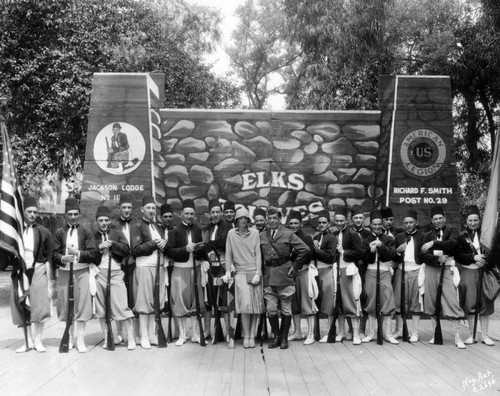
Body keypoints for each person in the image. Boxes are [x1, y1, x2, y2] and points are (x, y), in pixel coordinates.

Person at [52, 197, 99, 353]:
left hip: (82, 272)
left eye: (76, 214)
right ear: (66, 215)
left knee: (82, 305)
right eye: (70, 214)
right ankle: (69, 337)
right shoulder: (59, 232)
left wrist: (78, 254)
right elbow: (53, 254)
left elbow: (93, 254)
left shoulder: (86, 232)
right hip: (65, 273)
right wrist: (62, 258)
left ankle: (80, 339)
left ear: (79, 214)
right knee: (66, 305)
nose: (73, 217)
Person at [260, 207, 310, 349]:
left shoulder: (287, 233)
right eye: (269, 218)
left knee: (286, 308)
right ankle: (276, 336)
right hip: (268, 274)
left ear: (280, 219)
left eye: (274, 218)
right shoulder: (262, 235)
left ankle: (283, 338)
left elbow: (305, 249)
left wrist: (295, 267)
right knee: (271, 309)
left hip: (285, 274)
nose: (272, 221)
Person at [11, 196, 52, 353]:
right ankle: (27, 340)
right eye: (29, 211)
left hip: (38, 271)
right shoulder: (16, 232)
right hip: (20, 272)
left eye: (35, 212)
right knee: (22, 306)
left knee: (39, 307)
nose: (32, 215)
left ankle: (38, 340)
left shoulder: (44, 232)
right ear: (24, 212)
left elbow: (48, 254)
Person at [420, 205, 465, 348]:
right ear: (431, 221)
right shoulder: (426, 235)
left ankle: (458, 338)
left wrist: (434, 243)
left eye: (440, 218)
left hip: (447, 269)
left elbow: (453, 244)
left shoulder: (452, 230)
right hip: (433, 269)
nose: (438, 221)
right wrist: (437, 259)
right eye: (435, 219)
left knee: (452, 299)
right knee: (432, 300)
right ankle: (435, 334)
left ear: (444, 219)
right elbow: (422, 255)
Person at [94, 206, 135, 350]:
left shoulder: (117, 233)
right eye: (101, 220)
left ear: (110, 220)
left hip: (116, 273)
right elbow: (90, 254)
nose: (104, 223)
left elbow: (127, 251)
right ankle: (108, 338)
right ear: (96, 221)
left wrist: (112, 245)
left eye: (106, 220)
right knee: (102, 310)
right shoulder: (93, 236)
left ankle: (130, 338)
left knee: (121, 306)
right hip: (99, 274)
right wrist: (99, 247)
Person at [453, 205, 495, 346]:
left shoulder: (487, 235)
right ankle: (472, 335)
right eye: (470, 220)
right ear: (466, 221)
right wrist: (473, 258)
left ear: (479, 220)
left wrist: (486, 261)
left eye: (475, 220)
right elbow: (458, 256)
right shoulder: (460, 236)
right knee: (470, 303)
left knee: (485, 303)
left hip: (484, 272)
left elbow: (495, 253)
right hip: (468, 271)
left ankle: (485, 335)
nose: (473, 223)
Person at [166, 199, 206, 346]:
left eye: (191, 214)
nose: (189, 216)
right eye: (186, 213)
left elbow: (202, 248)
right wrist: (185, 249)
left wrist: (203, 256)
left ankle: (195, 333)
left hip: (195, 269)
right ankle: (182, 335)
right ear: (181, 214)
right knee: (180, 301)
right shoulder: (174, 231)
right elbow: (170, 251)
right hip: (180, 270)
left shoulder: (197, 229)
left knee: (196, 302)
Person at [224, 208, 264, 348]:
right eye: (241, 218)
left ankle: (252, 336)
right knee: (245, 307)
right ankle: (246, 335)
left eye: (246, 218)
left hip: (254, 272)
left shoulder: (255, 233)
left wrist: (258, 272)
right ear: (236, 220)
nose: (243, 220)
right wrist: (228, 271)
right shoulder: (231, 234)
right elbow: (228, 254)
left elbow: (258, 254)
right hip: (240, 274)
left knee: (255, 308)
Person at [131, 196, 167, 349]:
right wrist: (154, 244)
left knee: (155, 302)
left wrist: (164, 243)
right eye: (148, 208)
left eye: (153, 208)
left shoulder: (158, 227)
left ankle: (152, 334)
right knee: (144, 303)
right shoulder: (137, 226)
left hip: (158, 267)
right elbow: (136, 249)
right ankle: (143, 335)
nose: (151, 211)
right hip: (144, 267)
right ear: (142, 210)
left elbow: (163, 245)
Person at [361, 210, 398, 344]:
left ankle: (387, 333)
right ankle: (371, 333)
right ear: (370, 225)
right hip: (371, 272)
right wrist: (370, 252)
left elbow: (391, 255)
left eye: (378, 224)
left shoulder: (388, 239)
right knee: (371, 301)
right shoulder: (366, 240)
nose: (376, 227)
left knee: (387, 299)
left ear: (382, 224)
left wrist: (381, 246)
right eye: (374, 224)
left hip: (384, 272)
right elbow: (364, 258)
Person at [331, 206, 364, 345]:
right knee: (338, 303)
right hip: (335, 272)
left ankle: (356, 333)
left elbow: (359, 253)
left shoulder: (352, 234)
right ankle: (341, 332)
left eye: (341, 220)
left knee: (352, 301)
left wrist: (343, 252)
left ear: (346, 220)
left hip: (348, 271)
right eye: (337, 220)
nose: (339, 223)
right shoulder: (332, 234)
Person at [202, 199, 232, 340]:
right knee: (209, 297)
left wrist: (209, 244)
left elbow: (223, 243)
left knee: (224, 298)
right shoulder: (206, 229)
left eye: (217, 212)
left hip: (224, 264)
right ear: (209, 214)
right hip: (210, 265)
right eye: (212, 212)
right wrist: (204, 258)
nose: (215, 215)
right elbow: (203, 248)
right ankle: (208, 330)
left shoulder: (228, 226)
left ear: (221, 213)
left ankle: (227, 331)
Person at [393, 209, 425, 342]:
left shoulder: (423, 236)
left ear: (416, 223)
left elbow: (424, 255)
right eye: (406, 222)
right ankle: (400, 330)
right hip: (402, 270)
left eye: (411, 222)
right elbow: (393, 257)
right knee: (399, 300)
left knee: (416, 301)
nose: (408, 225)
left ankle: (415, 332)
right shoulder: (399, 237)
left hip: (417, 270)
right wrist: (398, 252)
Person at [287, 210, 317, 345]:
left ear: (301, 224)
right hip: (292, 275)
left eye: (296, 223)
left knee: (307, 303)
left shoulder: (306, 238)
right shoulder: (287, 237)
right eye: (291, 223)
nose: (293, 225)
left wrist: (294, 256)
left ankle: (310, 333)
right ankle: (297, 331)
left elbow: (308, 255)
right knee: (295, 304)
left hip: (304, 272)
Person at [110, 193, 137, 342]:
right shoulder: (113, 224)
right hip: (119, 265)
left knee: (132, 298)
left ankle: (133, 334)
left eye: (129, 207)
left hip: (133, 265)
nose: (126, 210)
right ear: (119, 208)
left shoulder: (137, 224)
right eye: (124, 207)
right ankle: (119, 333)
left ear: (132, 208)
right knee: (118, 299)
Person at [311, 210, 337, 343]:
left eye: (324, 222)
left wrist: (316, 249)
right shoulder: (316, 236)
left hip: (326, 270)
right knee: (315, 300)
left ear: (328, 223)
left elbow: (330, 257)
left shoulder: (331, 237)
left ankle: (330, 332)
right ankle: (315, 332)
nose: (321, 224)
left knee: (328, 303)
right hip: (316, 271)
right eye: (319, 222)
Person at [350, 207, 370, 339]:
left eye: (360, 218)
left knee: (363, 297)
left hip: (364, 270)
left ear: (364, 219)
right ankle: (352, 330)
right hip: (351, 268)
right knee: (351, 297)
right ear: (351, 219)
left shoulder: (368, 233)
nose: (358, 220)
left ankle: (362, 329)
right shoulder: (348, 233)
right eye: (355, 218)